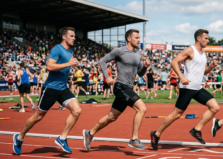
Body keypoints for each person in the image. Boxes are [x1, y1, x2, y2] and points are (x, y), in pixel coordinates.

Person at [13, 27, 82, 155]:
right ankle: (19, 137)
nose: (74, 38)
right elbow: (50, 66)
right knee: (38, 116)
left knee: (77, 110)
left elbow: (63, 67)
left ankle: (62, 139)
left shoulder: (70, 51)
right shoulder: (57, 49)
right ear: (64, 37)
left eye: (74, 36)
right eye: (71, 36)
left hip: (62, 88)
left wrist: (68, 74)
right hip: (50, 88)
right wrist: (68, 64)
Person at [150, 29, 219, 150]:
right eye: (206, 38)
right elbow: (174, 62)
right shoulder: (189, 50)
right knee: (176, 114)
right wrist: (181, 77)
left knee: (215, 107)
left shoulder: (203, 53)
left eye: (208, 38)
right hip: (187, 88)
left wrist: (211, 68)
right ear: (198, 38)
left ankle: (196, 130)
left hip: (197, 88)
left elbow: (203, 72)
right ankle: (156, 134)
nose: (208, 40)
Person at [83, 29, 150, 150]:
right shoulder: (119, 51)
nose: (139, 40)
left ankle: (90, 133)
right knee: (142, 108)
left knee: (111, 117)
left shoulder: (138, 54)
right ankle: (134, 139)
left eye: (139, 38)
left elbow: (140, 74)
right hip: (120, 87)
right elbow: (102, 61)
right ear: (129, 38)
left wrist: (145, 67)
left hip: (128, 87)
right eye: (136, 38)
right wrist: (107, 77)